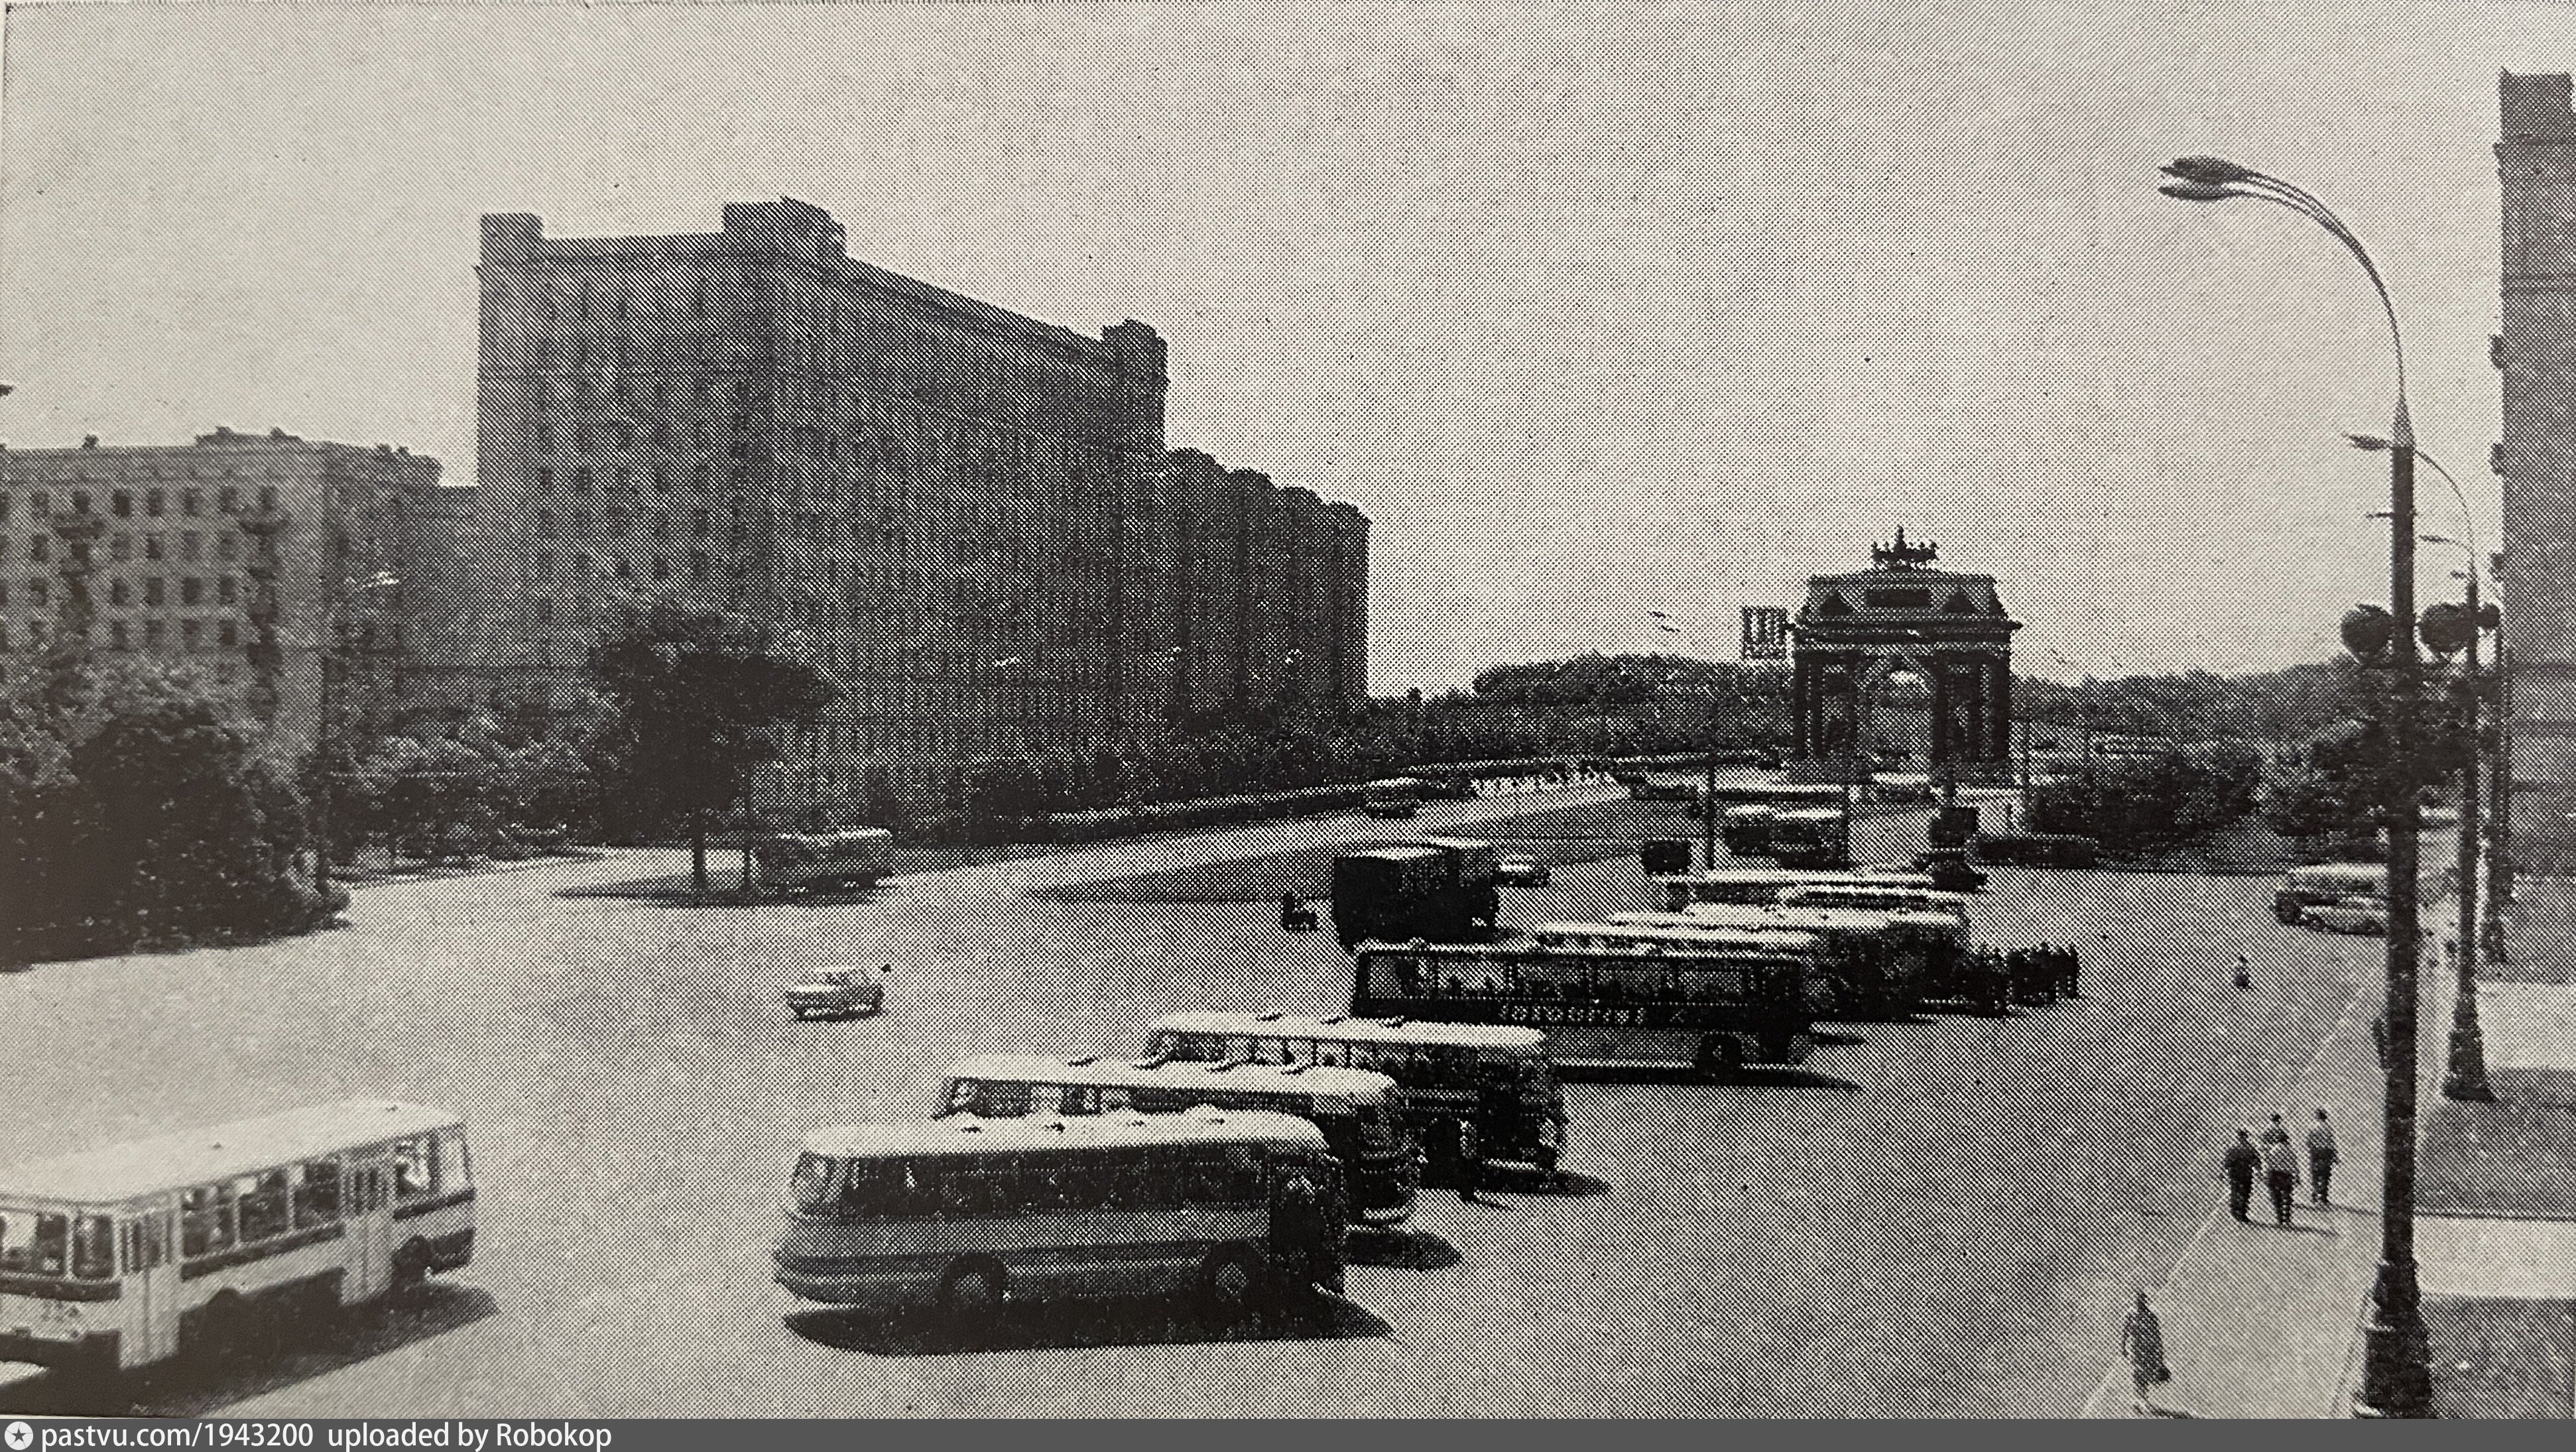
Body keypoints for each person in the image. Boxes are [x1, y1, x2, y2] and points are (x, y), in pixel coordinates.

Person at [2121, 1292, 2170, 1414]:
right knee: (2138, 1374)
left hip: (2149, 1350)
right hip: (2136, 1351)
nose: (2139, 1304)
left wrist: (2159, 1354)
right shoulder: (2131, 1315)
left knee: (2145, 1374)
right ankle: (2139, 1400)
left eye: (2141, 1301)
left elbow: (2157, 1335)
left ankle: (2141, 1400)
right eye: (2138, 1301)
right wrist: (2123, 1347)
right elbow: (2125, 1332)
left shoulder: (2151, 1316)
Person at [2223, 1128, 2260, 1223]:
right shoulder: (2250, 1148)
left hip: (2235, 1174)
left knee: (2235, 1192)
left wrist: (2224, 1172)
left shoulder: (2233, 1149)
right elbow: (2257, 1161)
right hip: (2246, 1174)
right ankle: (2242, 1213)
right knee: (2245, 1194)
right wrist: (2258, 1170)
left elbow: (2227, 1163)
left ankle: (2235, 1210)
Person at [2264, 1133, 2300, 1226]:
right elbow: (2294, 1165)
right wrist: (2297, 1176)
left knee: (2277, 1197)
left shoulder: (2273, 1151)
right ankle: (2287, 1217)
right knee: (2287, 1197)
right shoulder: (2290, 1151)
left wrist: (2266, 1176)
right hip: (2286, 1176)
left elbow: (2269, 1165)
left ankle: (2280, 1217)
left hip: (2275, 1175)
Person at [2306, 1109, 2338, 1206]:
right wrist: (2335, 1155)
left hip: (2315, 1152)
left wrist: (2312, 1149)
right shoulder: (2328, 1128)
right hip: (2326, 1152)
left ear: (2317, 1117)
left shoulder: (2312, 1127)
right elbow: (2331, 1143)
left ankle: (2315, 1195)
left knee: (2315, 1174)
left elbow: (2308, 1142)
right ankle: (2323, 1197)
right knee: (2325, 1175)